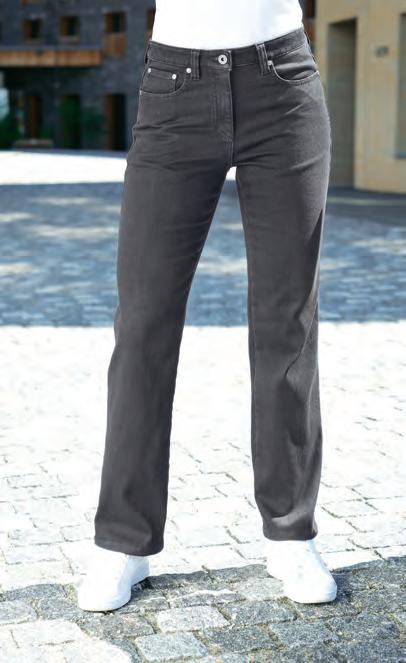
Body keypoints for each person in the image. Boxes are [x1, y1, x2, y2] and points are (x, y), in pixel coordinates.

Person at [77, 0, 337, 612]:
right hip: (174, 89)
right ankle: (124, 540)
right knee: (143, 323)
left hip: (283, 83)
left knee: (287, 322)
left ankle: (290, 533)